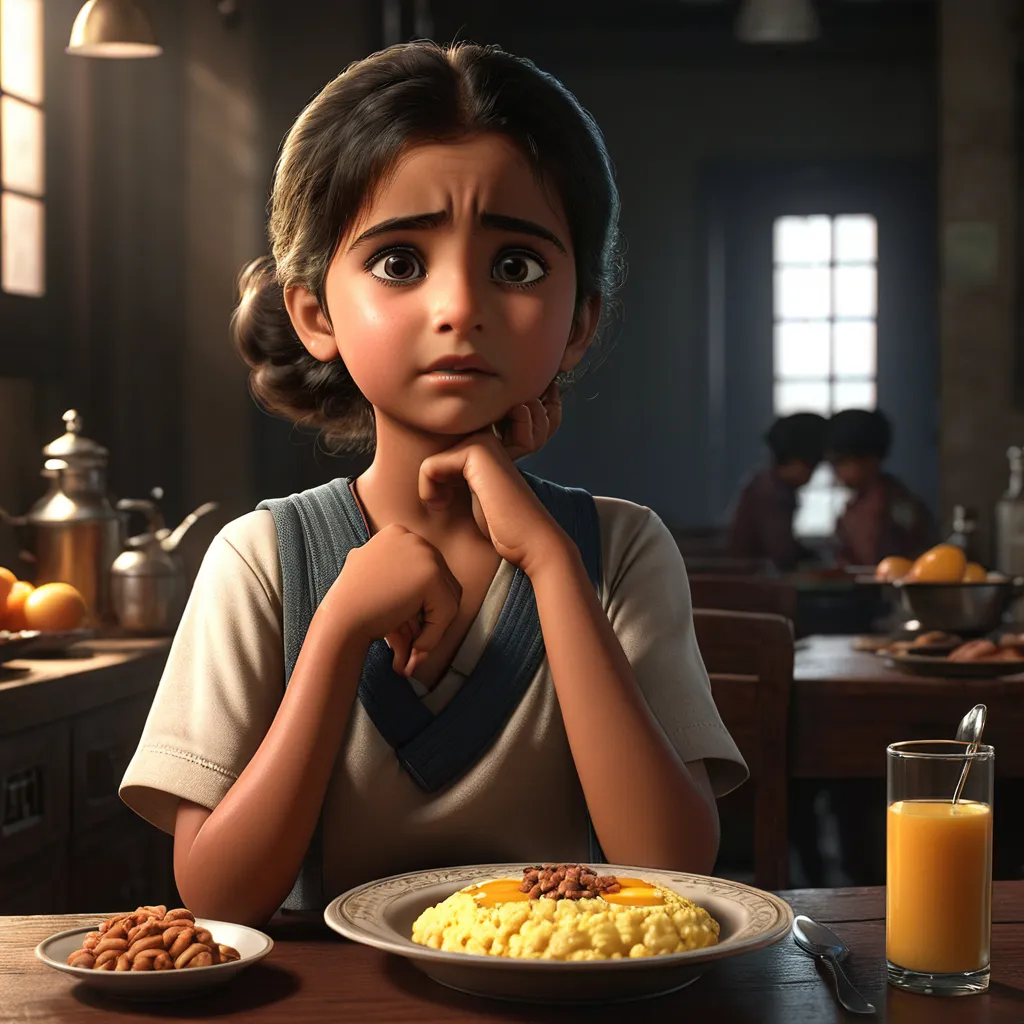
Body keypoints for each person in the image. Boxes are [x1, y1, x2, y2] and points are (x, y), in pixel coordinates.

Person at [118, 40, 748, 928]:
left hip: (565, 998)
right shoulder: (262, 560)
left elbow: (674, 864)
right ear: (313, 313)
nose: (461, 305)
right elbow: (220, 895)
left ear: (578, 324)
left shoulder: (621, 550)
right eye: (400, 263)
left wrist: (550, 564)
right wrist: (337, 628)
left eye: (517, 266)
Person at [827, 408, 935, 567]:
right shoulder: (853, 506)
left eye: (842, 462)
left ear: (871, 459)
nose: (837, 473)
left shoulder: (899, 505)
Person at [728, 412, 827, 571]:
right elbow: (782, 553)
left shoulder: (769, 485)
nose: (812, 475)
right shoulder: (771, 493)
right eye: (811, 465)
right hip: (755, 583)